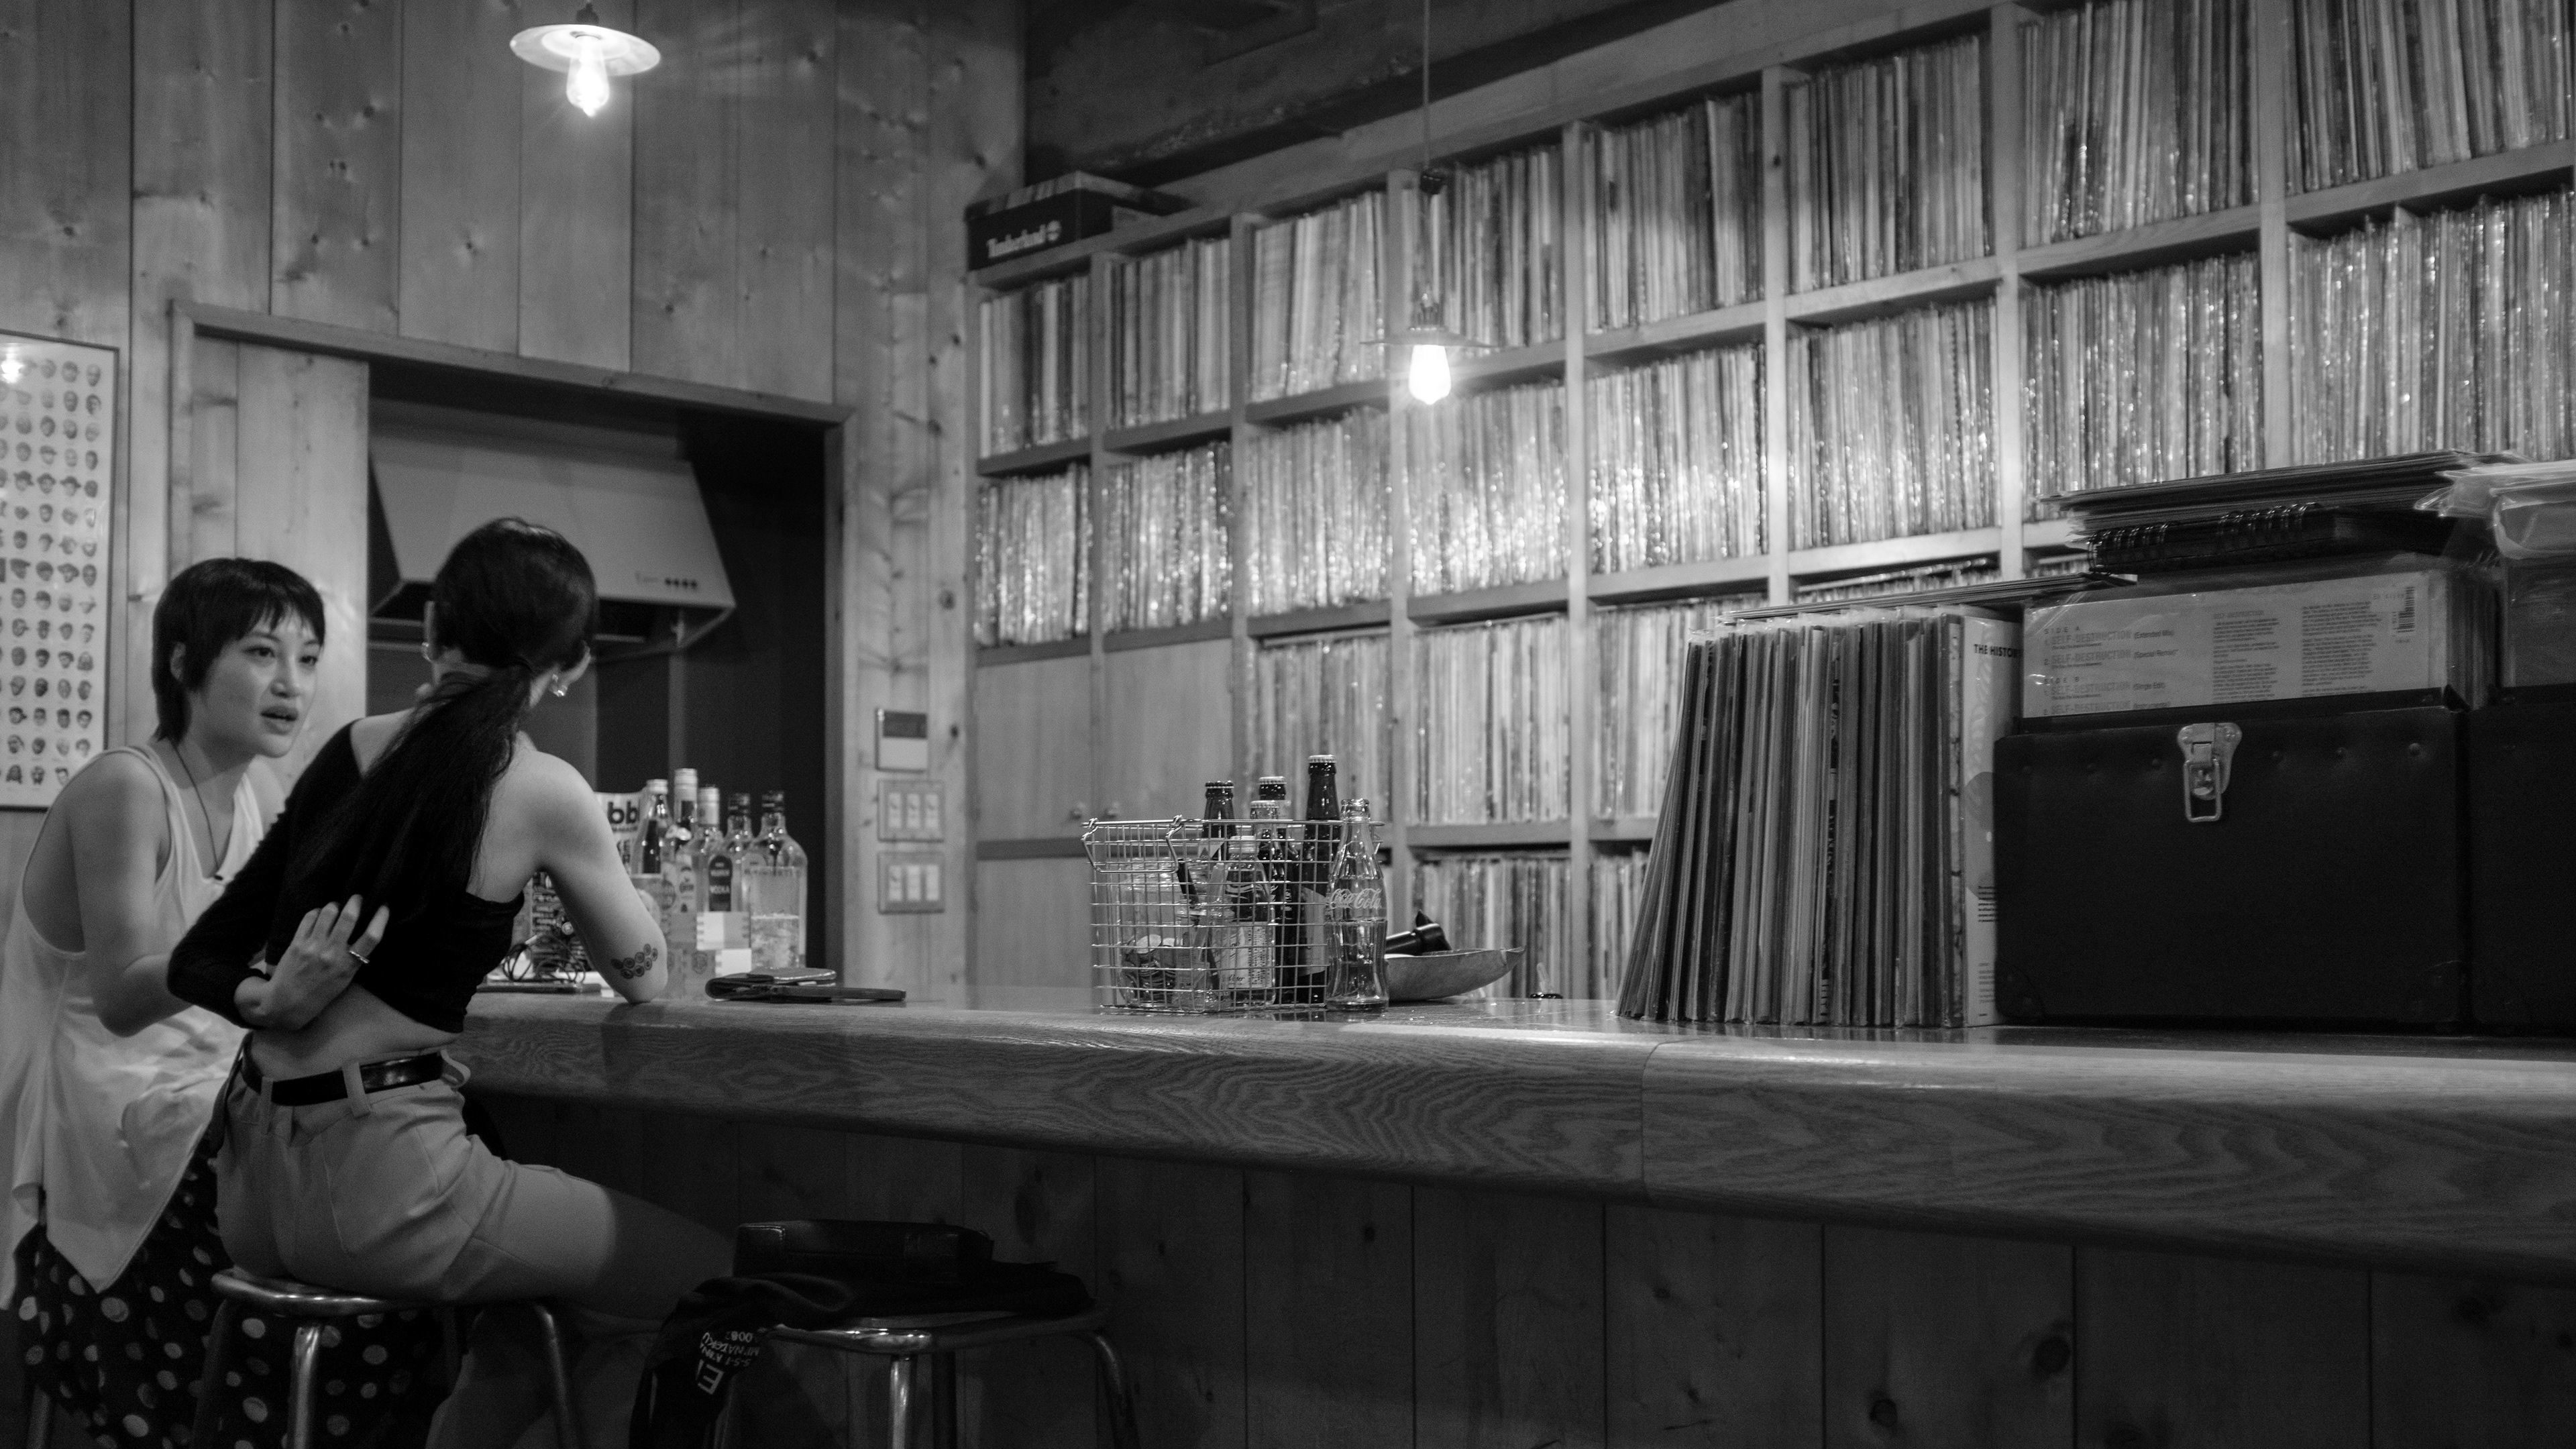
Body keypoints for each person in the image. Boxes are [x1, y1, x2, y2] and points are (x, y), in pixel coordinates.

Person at [167, 519, 731, 1448]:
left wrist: (259, 1002)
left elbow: (202, 956)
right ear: (573, 664)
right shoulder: (542, 787)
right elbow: (645, 976)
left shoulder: (352, 747)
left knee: (537, 1299)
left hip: (252, 1190)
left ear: (434, 627)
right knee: (713, 1281)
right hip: (389, 1189)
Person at [0, 558, 443, 1446]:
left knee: (375, 1137)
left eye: (309, 658)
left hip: (202, 1085)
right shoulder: (126, 786)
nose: (292, 684)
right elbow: (125, 998)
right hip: (102, 1099)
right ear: (181, 661)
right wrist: (264, 995)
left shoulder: (257, 796)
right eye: (260, 651)